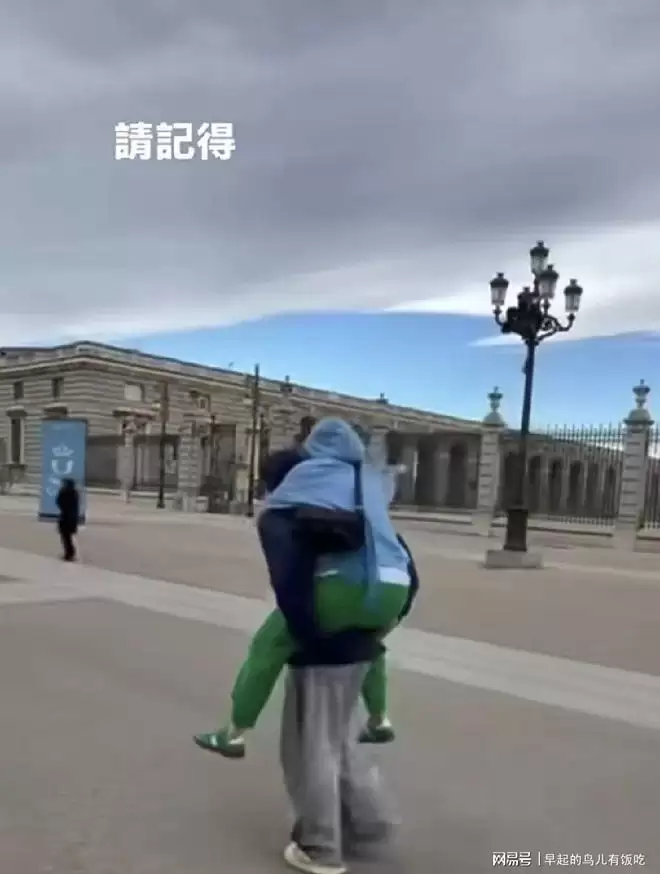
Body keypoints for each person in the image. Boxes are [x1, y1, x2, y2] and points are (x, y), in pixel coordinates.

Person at [194, 418, 418, 758]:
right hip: (395, 588)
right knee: (369, 642)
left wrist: (306, 630)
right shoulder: (369, 482)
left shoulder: (303, 479)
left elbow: (287, 569)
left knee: (267, 646)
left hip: (343, 588)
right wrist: (398, 610)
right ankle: (379, 719)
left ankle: (234, 734)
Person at [55, 478, 80, 562]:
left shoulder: (65, 493)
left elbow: (59, 502)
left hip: (66, 518)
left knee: (66, 537)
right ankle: (69, 553)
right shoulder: (74, 493)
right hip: (71, 518)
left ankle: (69, 553)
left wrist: (61, 492)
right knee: (67, 537)